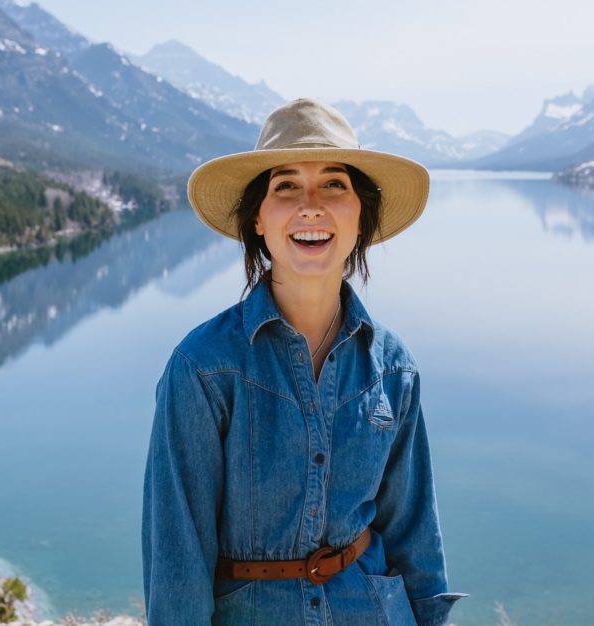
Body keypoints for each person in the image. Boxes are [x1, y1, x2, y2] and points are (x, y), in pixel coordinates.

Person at [142, 98, 464, 625]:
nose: (310, 205)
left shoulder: (393, 368)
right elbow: (176, 559)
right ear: (259, 222)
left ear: (361, 216)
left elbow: (415, 539)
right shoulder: (202, 368)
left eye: (334, 184)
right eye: (285, 186)